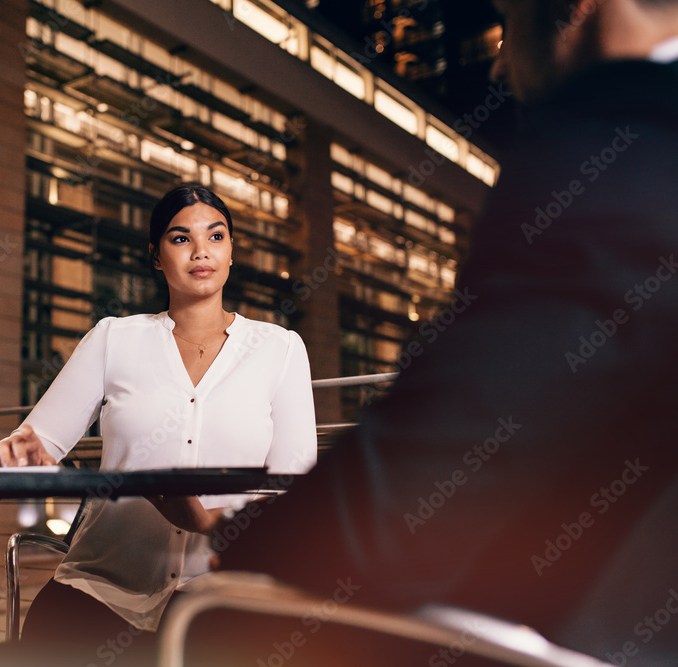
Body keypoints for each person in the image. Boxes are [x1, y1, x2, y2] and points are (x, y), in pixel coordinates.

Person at [208, 0, 678, 665]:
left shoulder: (622, 137)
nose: (497, 59)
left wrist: (236, 541)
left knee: (216, 621)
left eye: (505, 22)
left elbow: (423, 482)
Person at [0, 183, 317, 665]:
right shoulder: (113, 339)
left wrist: (211, 526)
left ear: (231, 253)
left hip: (222, 593)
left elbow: (293, 495)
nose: (201, 250)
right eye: (180, 238)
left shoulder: (280, 349)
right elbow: (28, 447)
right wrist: (16, 455)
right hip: (104, 587)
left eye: (216, 236)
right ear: (157, 257)